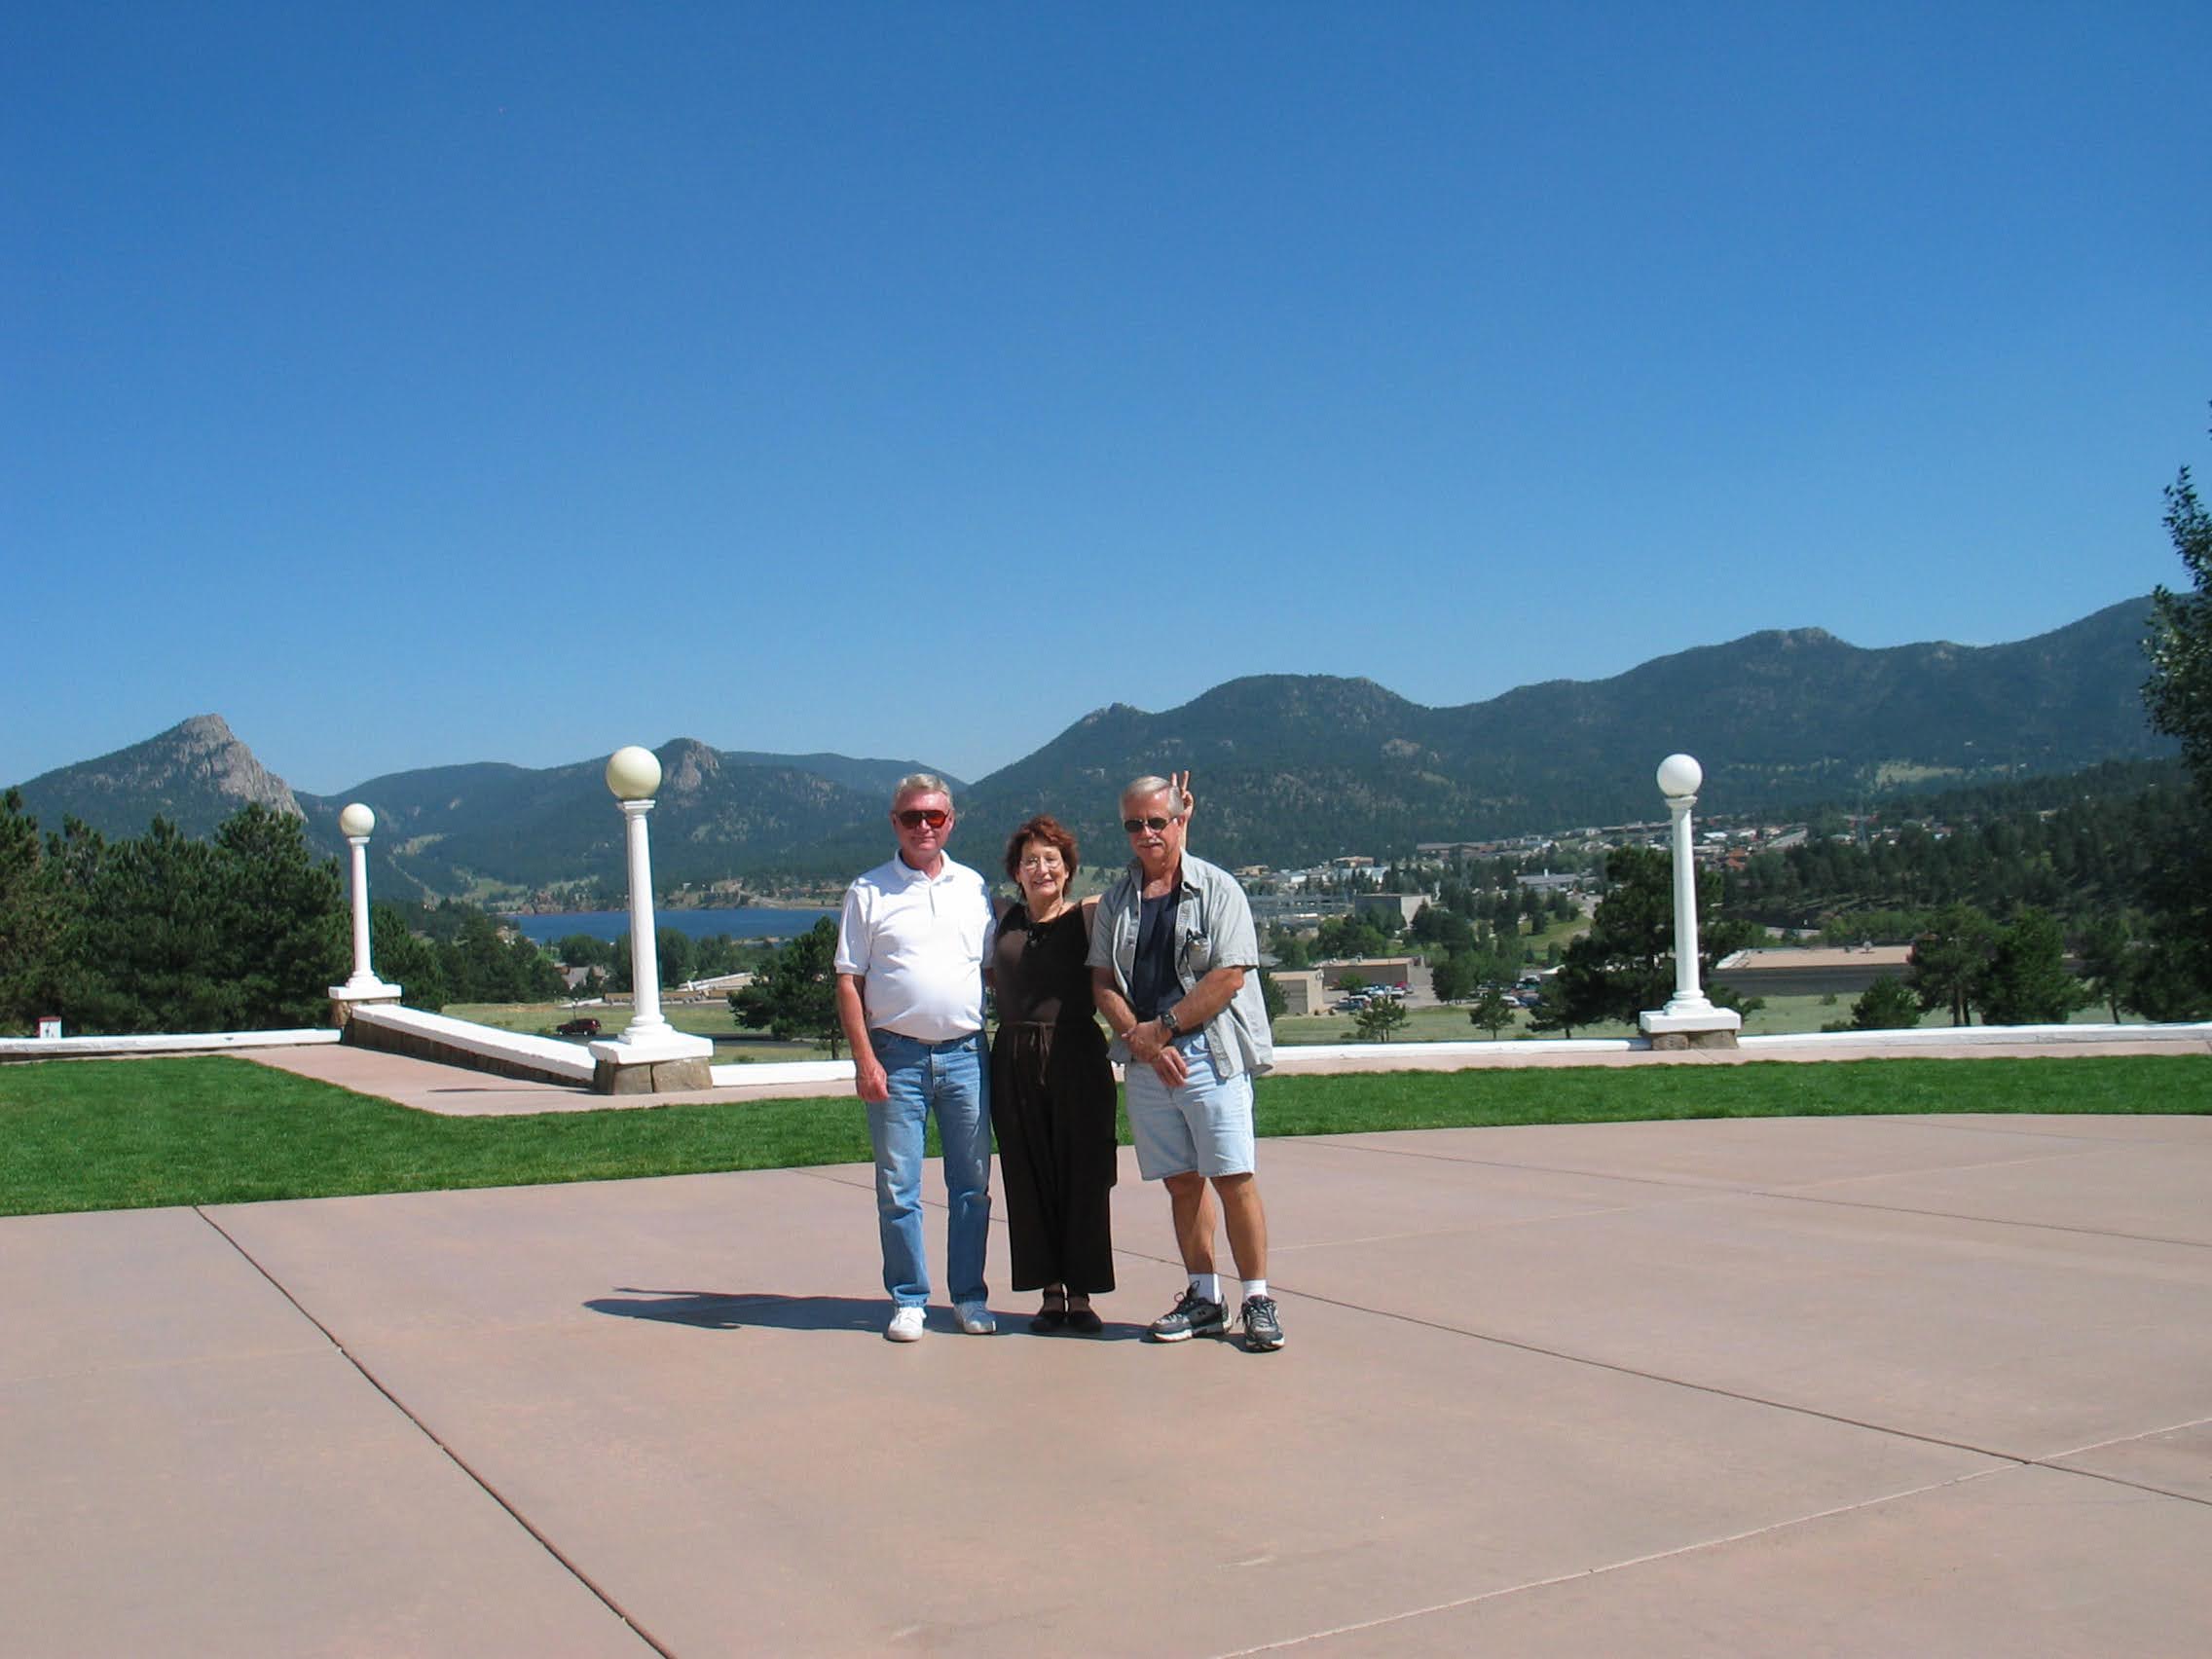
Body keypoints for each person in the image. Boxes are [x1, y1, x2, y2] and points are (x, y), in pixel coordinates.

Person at [1089, 773, 1284, 1352]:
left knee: (1232, 1176)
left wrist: (1165, 1029)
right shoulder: (1117, 900)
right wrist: (1140, 1040)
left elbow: (1227, 977)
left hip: (1208, 1053)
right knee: (1181, 1183)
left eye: (1157, 821)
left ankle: (1257, 1298)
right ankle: (1205, 1296)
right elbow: (1101, 979)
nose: (1145, 833)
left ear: (1180, 820)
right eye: (1134, 823)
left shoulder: (1219, 889)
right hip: (1147, 1060)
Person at [834, 774, 997, 1343]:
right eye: (912, 817)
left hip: (967, 1057)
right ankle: (909, 1299)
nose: (923, 826)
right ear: (894, 822)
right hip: (896, 1058)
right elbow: (849, 981)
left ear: (951, 821)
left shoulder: (975, 889)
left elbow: (994, 970)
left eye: (934, 816)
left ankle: (970, 1297)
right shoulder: (868, 891)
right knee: (898, 1186)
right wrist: (864, 1060)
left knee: (972, 1185)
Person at [990, 814, 1117, 1334]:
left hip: (1076, 1054)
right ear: (1016, 872)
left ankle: (1081, 1293)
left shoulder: (1089, 916)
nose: (1041, 868)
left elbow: (1153, 879)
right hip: (1014, 1053)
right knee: (1027, 1172)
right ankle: (1048, 1291)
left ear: (1068, 869)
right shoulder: (1000, 919)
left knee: (1083, 1173)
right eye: (1030, 861)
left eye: (1051, 859)